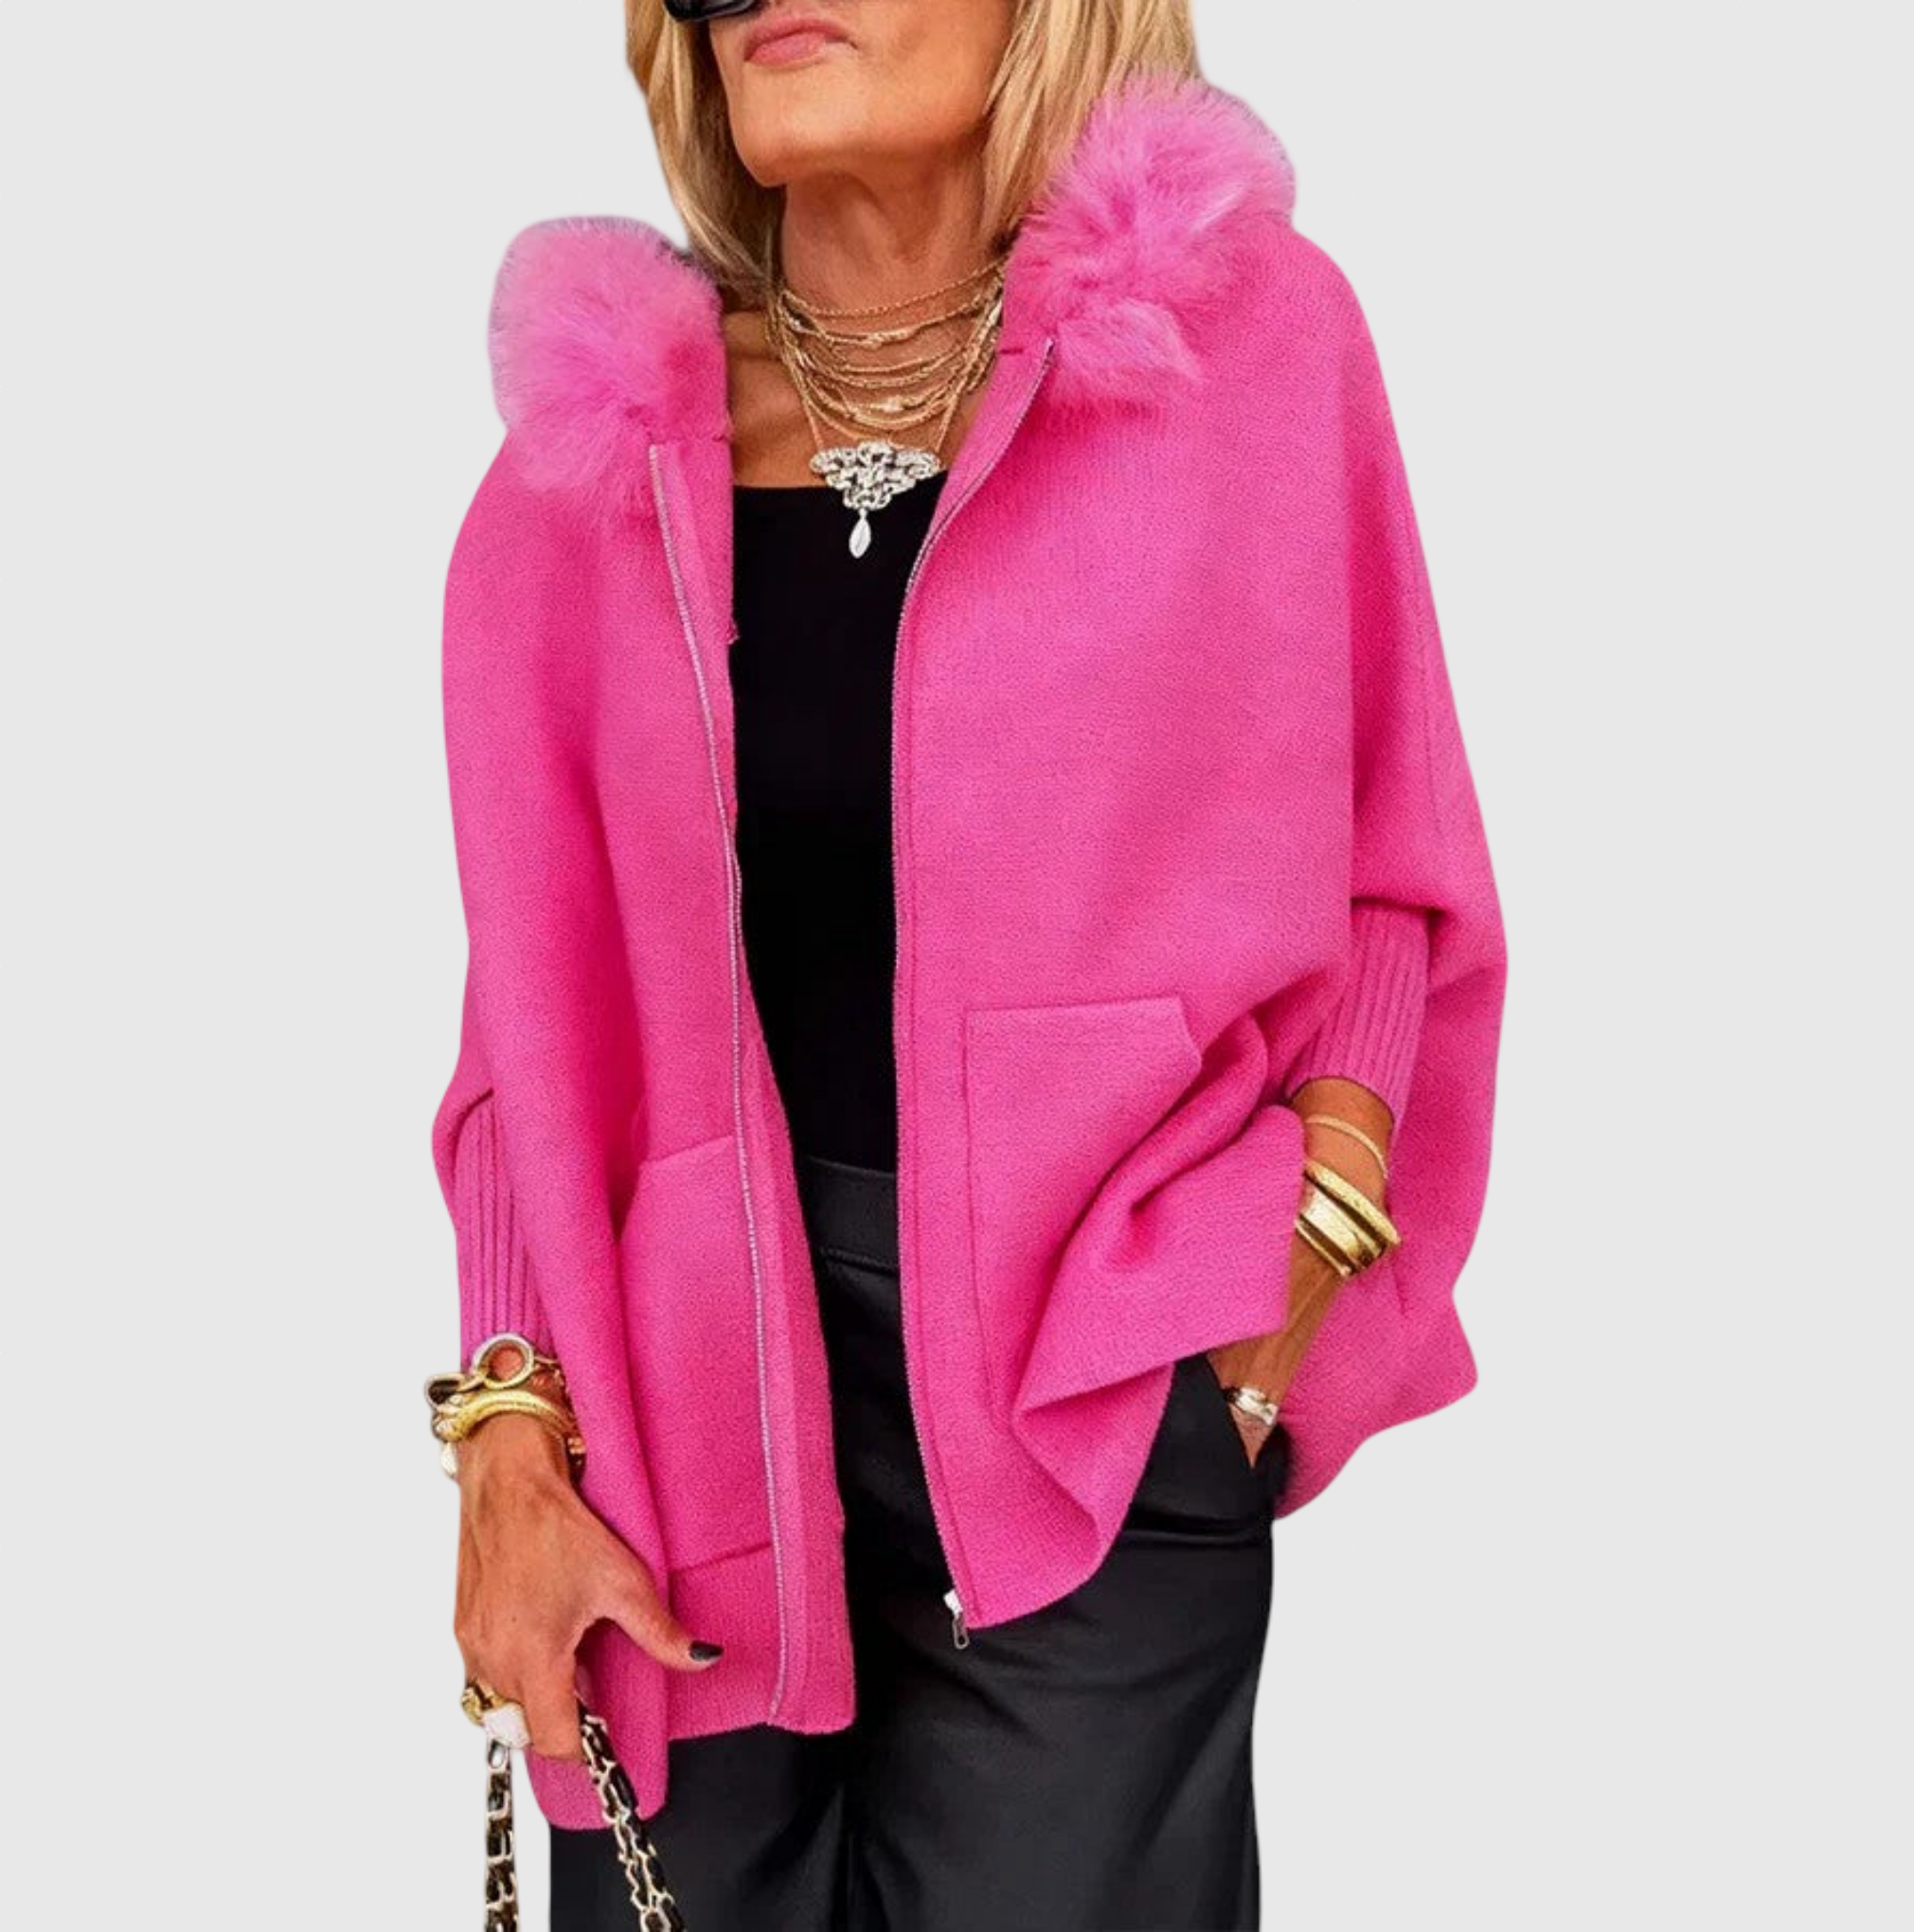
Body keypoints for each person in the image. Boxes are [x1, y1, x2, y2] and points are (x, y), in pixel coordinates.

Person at [428, 1, 1508, 1925]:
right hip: (677, 1413)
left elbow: (1387, 859)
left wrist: (1286, 1272)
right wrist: (509, 1440)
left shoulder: (1243, 349)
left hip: (1096, 1370)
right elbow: (530, 1023)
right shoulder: (592, 471)